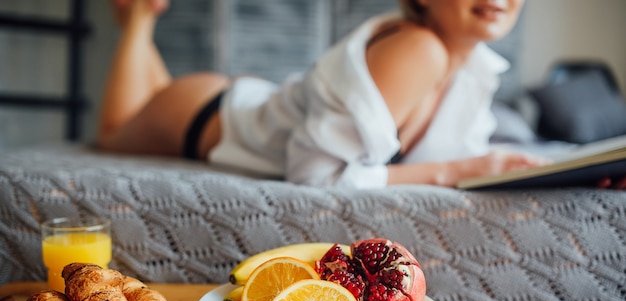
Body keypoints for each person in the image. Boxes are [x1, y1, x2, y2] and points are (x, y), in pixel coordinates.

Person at [98, 0, 548, 189]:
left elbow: (466, 162)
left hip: (253, 99)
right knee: (112, 135)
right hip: (207, 114)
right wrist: (457, 170)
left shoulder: (476, 67)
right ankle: (139, 17)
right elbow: (316, 174)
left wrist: (562, 175)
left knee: (145, 99)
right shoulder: (420, 48)